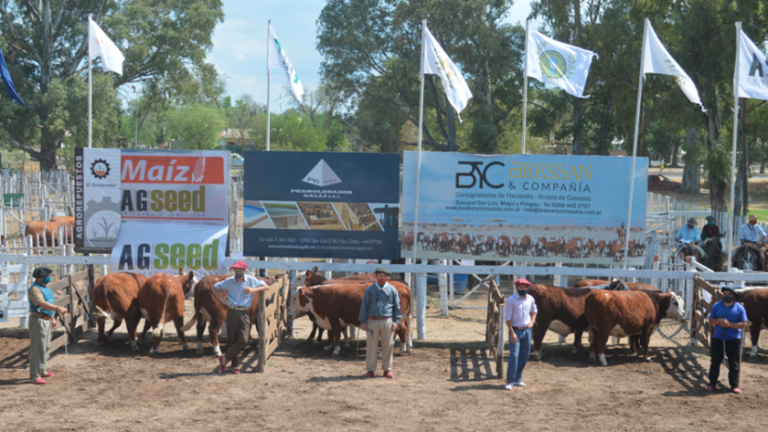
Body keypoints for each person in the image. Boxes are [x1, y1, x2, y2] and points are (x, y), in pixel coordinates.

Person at [213, 261, 270, 374]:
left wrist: (253, 290)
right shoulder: (229, 282)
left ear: (244, 270)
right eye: (236, 271)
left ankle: (224, 359)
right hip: (232, 312)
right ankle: (235, 366)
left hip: (245, 312)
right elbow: (215, 288)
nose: (238, 273)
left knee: (243, 339)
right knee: (232, 339)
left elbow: (266, 286)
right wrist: (221, 300)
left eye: (240, 271)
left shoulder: (251, 280)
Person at [359, 266, 402, 379]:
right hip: (372, 321)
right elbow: (364, 306)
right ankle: (370, 370)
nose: (382, 278)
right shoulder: (370, 290)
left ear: (387, 277)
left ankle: (387, 370)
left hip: (387, 321)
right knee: (371, 347)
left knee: (388, 346)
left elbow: (397, 307)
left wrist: (396, 321)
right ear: (376, 276)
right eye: (380, 276)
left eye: (384, 276)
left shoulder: (393, 290)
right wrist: (363, 321)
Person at [28, 267, 67, 385]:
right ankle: (35, 376)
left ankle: (42, 370)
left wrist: (52, 318)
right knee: (37, 348)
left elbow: (48, 303)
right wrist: (57, 309)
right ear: (40, 277)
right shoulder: (34, 289)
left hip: (46, 319)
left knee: (45, 347)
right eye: (46, 276)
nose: (48, 277)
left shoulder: (44, 287)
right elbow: (42, 304)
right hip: (38, 320)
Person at [706, 287, 748, 394]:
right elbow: (711, 320)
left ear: (734, 296)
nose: (726, 296)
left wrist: (730, 325)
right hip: (718, 338)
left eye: (729, 294)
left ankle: (734, 385)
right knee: (715, 361)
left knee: (734, 363)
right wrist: (719, 321)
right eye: (725, 294)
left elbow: (743, 324)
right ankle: (712, 383)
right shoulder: (717, 306)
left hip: (734, 339)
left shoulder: (739, 308)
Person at [504, 278, 537, 390]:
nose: (523, 289)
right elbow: (508, 317)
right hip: (515, 329)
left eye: (525, 288)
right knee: (514, 355)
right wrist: (512, 333)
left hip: (527, 330)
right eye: (521, 287)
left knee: (525, 354)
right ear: (516, 288)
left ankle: (518, 378)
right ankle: (510, 380)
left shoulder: (530, 299)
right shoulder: (511, 300)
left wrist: (532, 321)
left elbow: (534, 310)